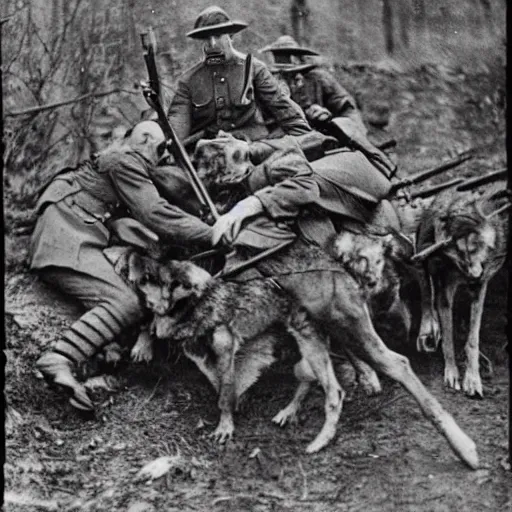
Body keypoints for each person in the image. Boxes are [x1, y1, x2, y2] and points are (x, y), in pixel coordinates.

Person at [31, 121, 213, 411]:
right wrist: (213, 233)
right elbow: (155, 213)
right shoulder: (125, 160)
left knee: (133, 296)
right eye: (161, 150)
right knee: (125, 301)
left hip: (77, 231)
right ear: (143, 140)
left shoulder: (115, 162)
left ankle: (75, 360)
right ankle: (60, 358)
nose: (162, 159)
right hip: (67, 236)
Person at [165, 6, 312, 150]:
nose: (212, 44)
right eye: (207, 38)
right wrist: (171, 148)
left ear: (230, 36)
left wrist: (309, 142)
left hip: (252, 149)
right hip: (207, 152)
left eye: (217, 36)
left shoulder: (254, 69)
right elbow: (177, 126)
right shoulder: (189, 80)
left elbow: (285, 112)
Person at [260, 35, 367, 134]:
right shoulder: (268, 86)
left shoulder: (319, 79)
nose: (291, 79)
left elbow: (347, 109)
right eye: (284, 74)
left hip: (325, 134)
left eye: (294, 73)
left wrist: (328, 117)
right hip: (290, 139)